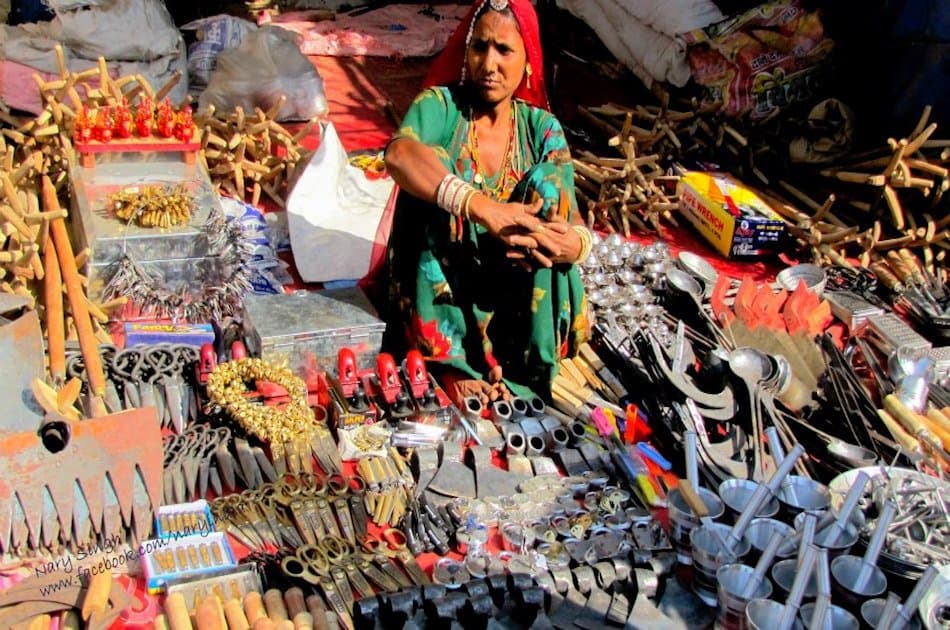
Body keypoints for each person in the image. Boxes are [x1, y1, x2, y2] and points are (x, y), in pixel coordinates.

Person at [382, 0, 591, 405]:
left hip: (512, 286)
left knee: (549, 185)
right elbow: (398, 154)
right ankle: (448, 359)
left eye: (504, 50)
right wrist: (481, 207)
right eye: (479, 47)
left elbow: (575, 217)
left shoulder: (541, 128)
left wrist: (573, 243)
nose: (488, 63)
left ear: (528, 58)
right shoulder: (442, 107)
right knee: (433, 167)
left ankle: (523, 359)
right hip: (447, 286)